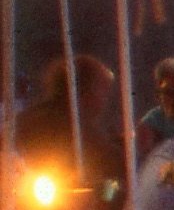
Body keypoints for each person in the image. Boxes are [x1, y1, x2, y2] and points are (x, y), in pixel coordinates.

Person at [16, 55, 123, 199]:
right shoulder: (76, 129)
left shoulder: (26, 119)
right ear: (84, 90)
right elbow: (111, 161)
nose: (104, 100)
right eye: (101, 90)